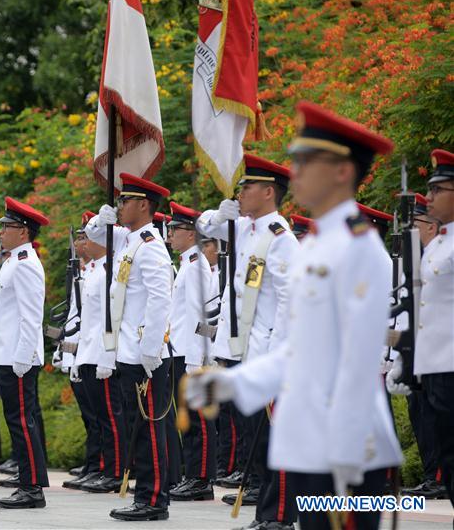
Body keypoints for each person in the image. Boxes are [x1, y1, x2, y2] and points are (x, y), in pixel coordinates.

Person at [186, 101, 403, 530]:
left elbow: (354, 363)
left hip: (346, 447)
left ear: (342, 172)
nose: (296, 173)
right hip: (310, 439)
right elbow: (299, 350)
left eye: (307, 162)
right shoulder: (317, 246)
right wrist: (230, 383)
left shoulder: (360, 250)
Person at [195, 154, 300, 529]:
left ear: (269, 192)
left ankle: (282, 516)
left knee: (273, 439)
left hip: (264, 354)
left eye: (247, 187)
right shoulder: (245, 228)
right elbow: (202, 224)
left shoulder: (280, 238)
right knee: (253, 437)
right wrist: (220, 216)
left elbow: (291, 301)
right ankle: (267, 515)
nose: (240, 193)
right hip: (239, 351)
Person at [85, 173, 173, 521]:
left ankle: (153, 501)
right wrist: (99, 219)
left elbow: (159, 300)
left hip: (144, 355)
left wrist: (151, 348)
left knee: (149, 429)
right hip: (127, 353)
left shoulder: (150, 246)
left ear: (143, 205)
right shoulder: (127, 240)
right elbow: (94, 235)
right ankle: (145, 496)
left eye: (125, 201)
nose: (119, 206)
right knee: (137, 429)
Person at [389, 148, 454, 507]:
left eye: (436, 190)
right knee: (446, 453)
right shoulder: (436, 246)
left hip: (452, 363)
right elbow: (422, 307)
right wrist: (408, 355)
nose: (427, 198)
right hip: (434, 365)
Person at [0, 197, 50, 509]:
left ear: (23, 232)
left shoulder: (26, 265)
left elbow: (30, 314)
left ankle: (33, 488)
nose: (2, 232)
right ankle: (28, 483)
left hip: (17, 358)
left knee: (23, 422)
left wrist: (24, 355)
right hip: (6, 355)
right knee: (17, 422)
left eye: (7, 227)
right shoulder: (13, 260)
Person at [71, 211, 127, 495]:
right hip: (89, 352)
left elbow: (111, 317)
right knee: (100, 417)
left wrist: (108, 355)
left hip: (102, 354)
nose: (84, 242)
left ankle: (115, 471)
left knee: (110, 417)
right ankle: (105, 468)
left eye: (88, 236)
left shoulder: (110, 271)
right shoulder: (94, 271)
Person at [166, 202, 217, 502]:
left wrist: (196, 360)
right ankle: (193, 475)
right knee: (188, 417)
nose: (170, 235)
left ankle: (201, 480)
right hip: (180, 350)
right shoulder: (188, 263)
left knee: (198, 418)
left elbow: (200, 317)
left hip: (191, 353)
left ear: (190, 234)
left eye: (174, 230)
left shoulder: (196, 266)